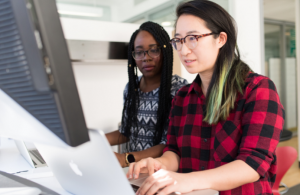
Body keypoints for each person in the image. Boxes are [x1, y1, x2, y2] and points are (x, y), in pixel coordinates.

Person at [127, 1, 285, 195]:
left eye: (193, 38)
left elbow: (252, 164)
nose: (184, 51)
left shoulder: (258, 89)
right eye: (179, 40)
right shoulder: (182, 97)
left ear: (221, 39)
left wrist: (187, 180)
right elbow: (174, 152)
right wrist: (159, 163)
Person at [106, 21, 188, 168]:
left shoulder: (178, 90)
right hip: (135, 173)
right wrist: (95, 141)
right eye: (139, 52)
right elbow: (126, 132)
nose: (146, 57)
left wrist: (126, 158)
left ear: (165, 51)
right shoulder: (131, 88)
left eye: (154, 50)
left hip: (162, 173)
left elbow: (169, 144)